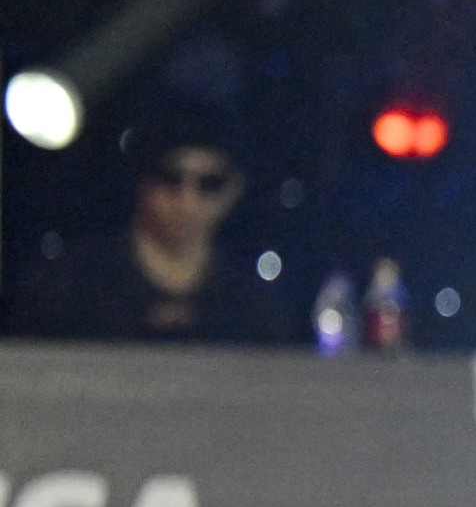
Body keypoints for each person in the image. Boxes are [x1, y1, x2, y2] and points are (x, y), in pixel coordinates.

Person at [13, 113, 303, 344]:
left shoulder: (253, 307)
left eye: (209, 183)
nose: (187, 201)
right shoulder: (72, 285)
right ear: (142, 181)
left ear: (233, 191)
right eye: (171, 178)